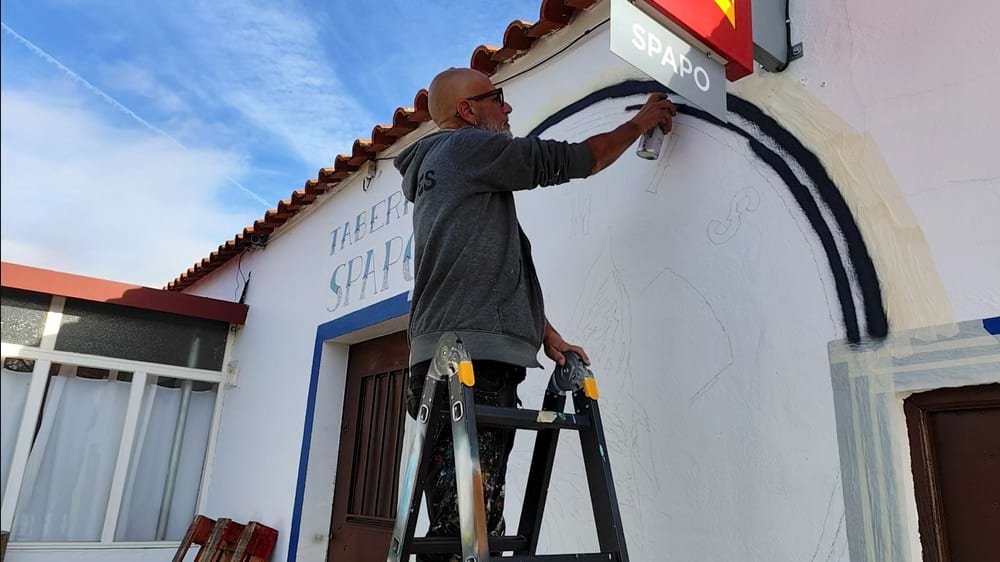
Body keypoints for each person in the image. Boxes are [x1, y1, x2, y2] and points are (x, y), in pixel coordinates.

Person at [394, 67, 675, 560]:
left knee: (461, 527)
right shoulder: (467, 148)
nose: (507, 108)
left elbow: (483, 270)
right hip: (468, 362)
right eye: (497, 97)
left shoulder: (452, 176)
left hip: (448, 356)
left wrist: (545, 333)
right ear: (467, 111)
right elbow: (571, 160)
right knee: (470, 530)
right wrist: (640, 123)